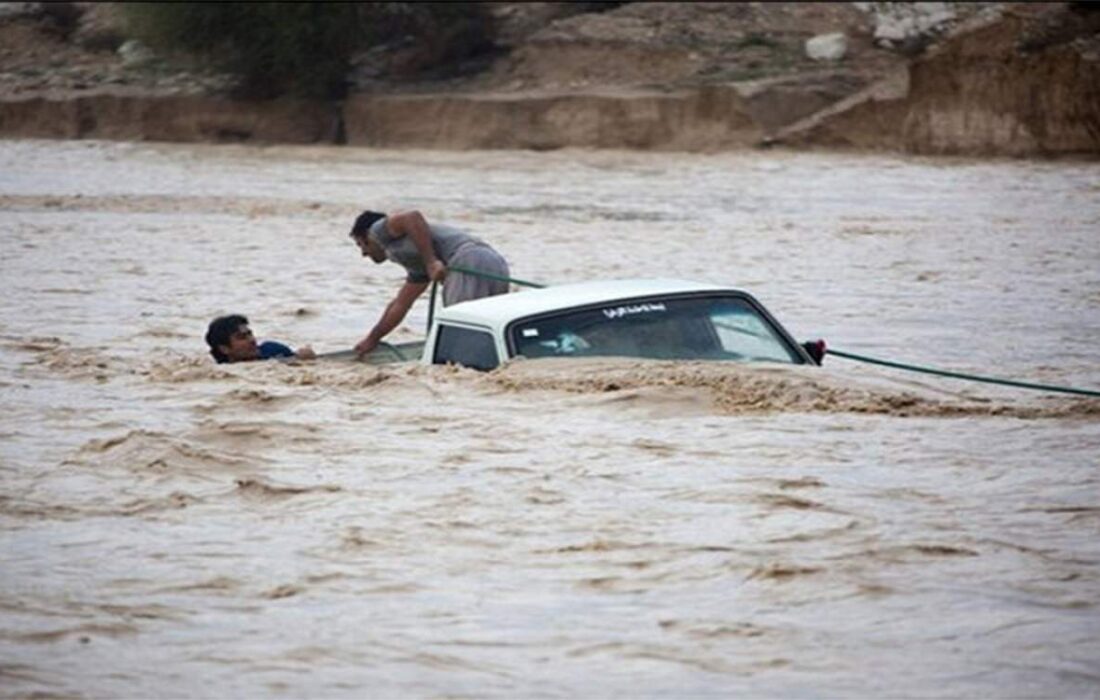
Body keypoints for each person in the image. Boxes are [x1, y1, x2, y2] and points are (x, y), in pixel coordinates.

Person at [348, 209, 510, 357]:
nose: (363, 253)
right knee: (485, 326)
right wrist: (373, 338)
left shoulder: (378, 231)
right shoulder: (415, 263)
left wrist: (431, 261)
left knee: (460, 327)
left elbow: (412, 216)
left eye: (360, 244)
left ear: (366, 235)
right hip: (494, 262)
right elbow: (400, 304)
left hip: (468, 260)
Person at [205, 314, 315, 364]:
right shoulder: (221, 374)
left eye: (250, 334)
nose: (252, 340)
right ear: (224, 349)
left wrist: (303, 359)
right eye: (242, 337)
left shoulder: (273, 349)